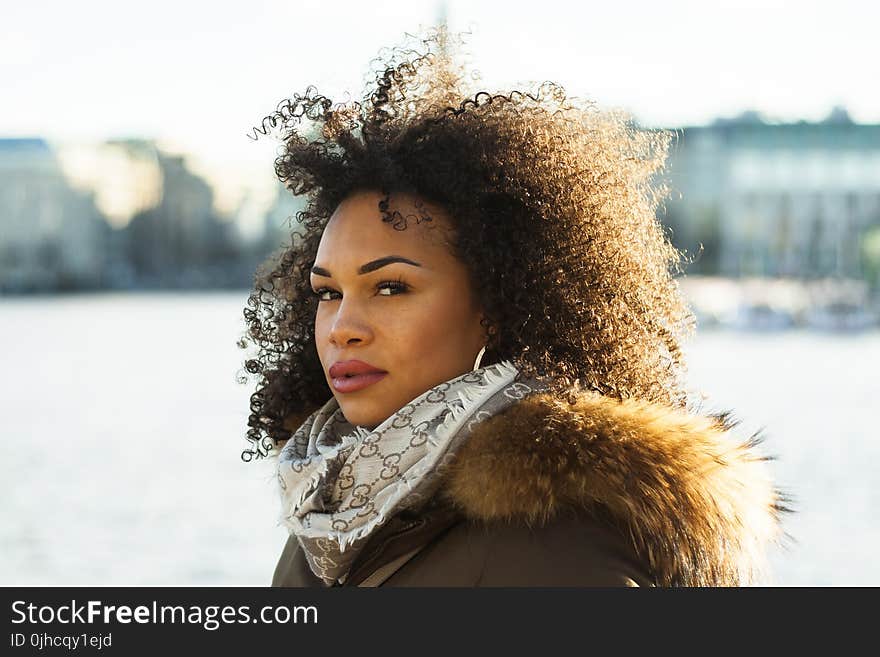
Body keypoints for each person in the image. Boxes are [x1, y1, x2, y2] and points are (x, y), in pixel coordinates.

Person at [240, 27, 788, 587]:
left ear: (498, 303)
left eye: (391, 288)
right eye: (328, 293)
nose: (342, 329)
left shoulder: (565, 546)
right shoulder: (326, 517)